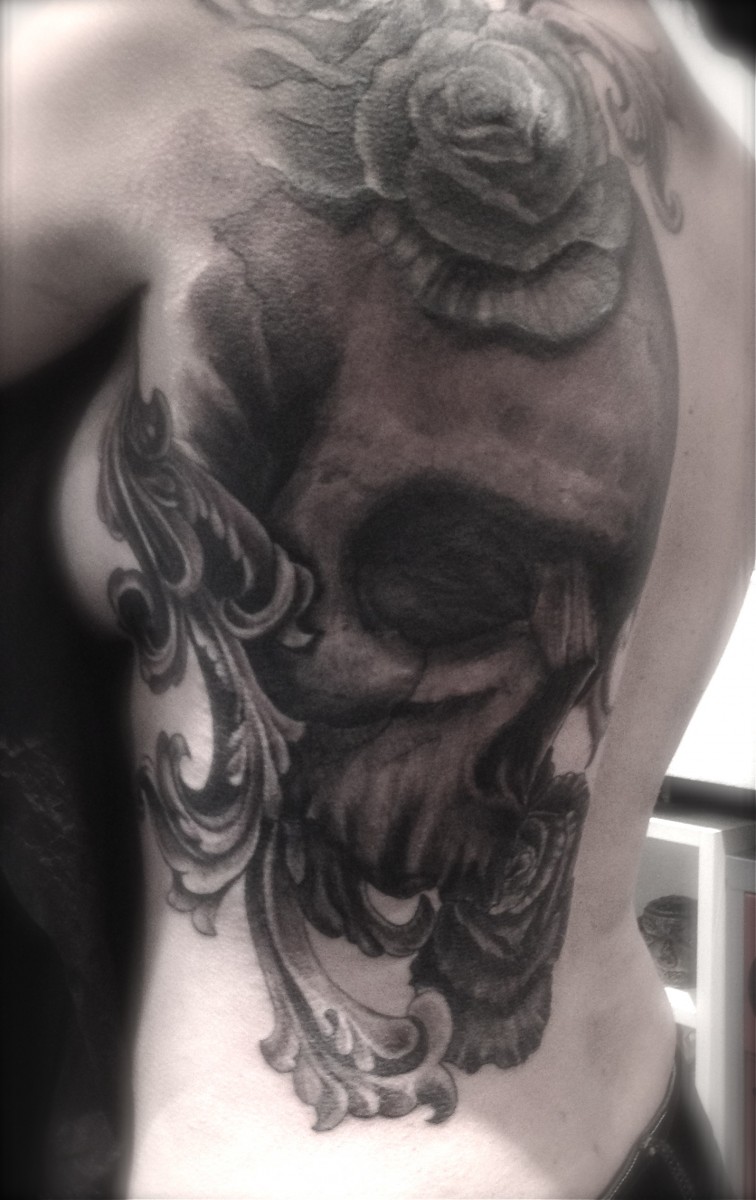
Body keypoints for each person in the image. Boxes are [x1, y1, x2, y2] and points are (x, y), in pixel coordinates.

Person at [1, 1, 752, 1197]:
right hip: (651, 1135)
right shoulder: (725, 171)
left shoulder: (182, 52)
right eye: (449, 588)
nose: (532, 764)